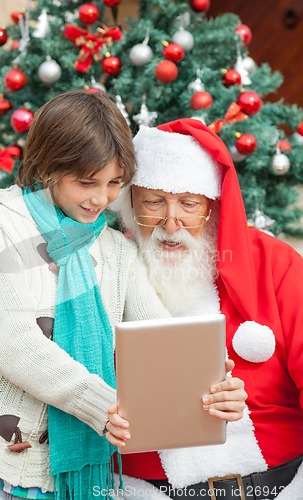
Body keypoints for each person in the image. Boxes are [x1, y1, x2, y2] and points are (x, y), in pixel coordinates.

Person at [0, 96, 245, 500]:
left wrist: (207, 379)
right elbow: (15, 344)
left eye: (115, 183)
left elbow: (163, 337)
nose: (101, 199)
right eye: (87, 182)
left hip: (57, 481)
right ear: (50, 166)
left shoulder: (117, 250)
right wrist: (103, 406)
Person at [113, 119, 303, 499]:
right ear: (130, 204)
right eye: (153, 202)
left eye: (189, 204)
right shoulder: (106, 268)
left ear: (212, 207)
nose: (171, 223)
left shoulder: (273, 263)